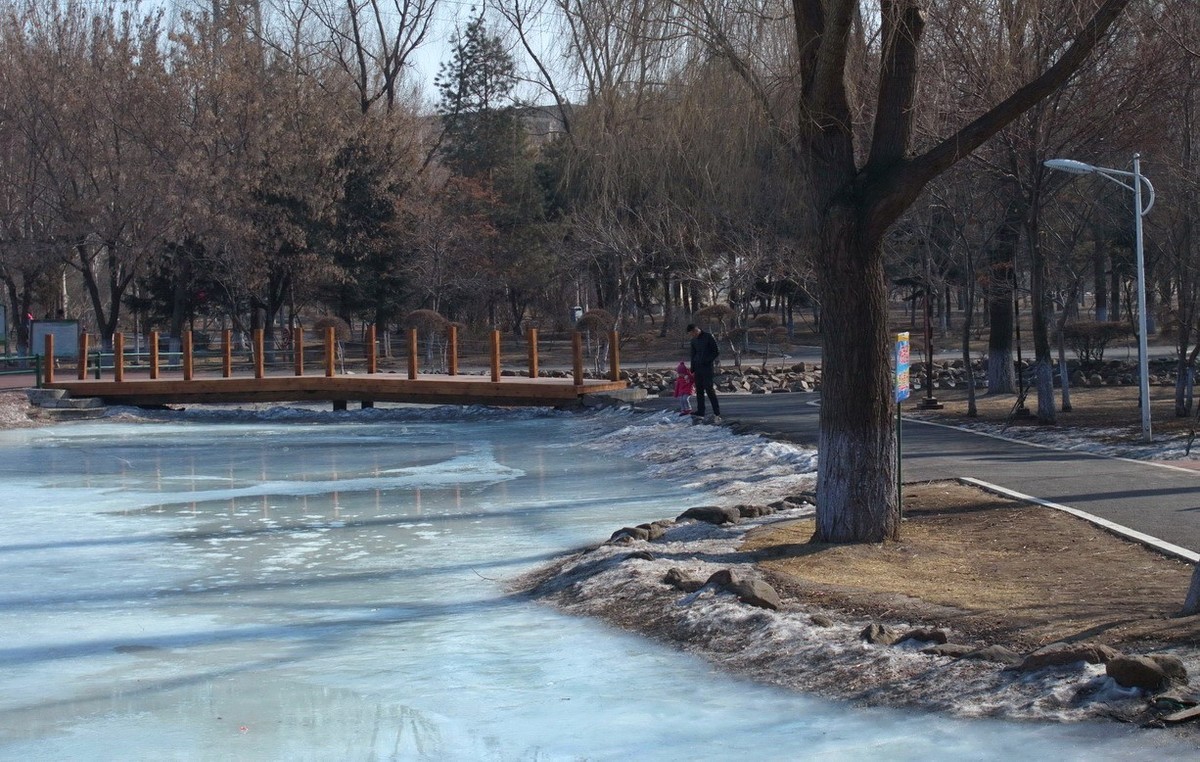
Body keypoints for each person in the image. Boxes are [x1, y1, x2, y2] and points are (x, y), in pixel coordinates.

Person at [686, 323, 721, 420]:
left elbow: (716, 351)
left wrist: (707, 360)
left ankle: (716, 412)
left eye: (693, 332)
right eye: (691, 334)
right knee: (699, 390)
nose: (693, 335)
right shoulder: (693, 341)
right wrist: (692, 368)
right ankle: (701, 411)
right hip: (698, 368)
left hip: (707, 367)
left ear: (696, 330)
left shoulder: (708, 337)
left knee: (709, 389)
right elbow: (693, 355)